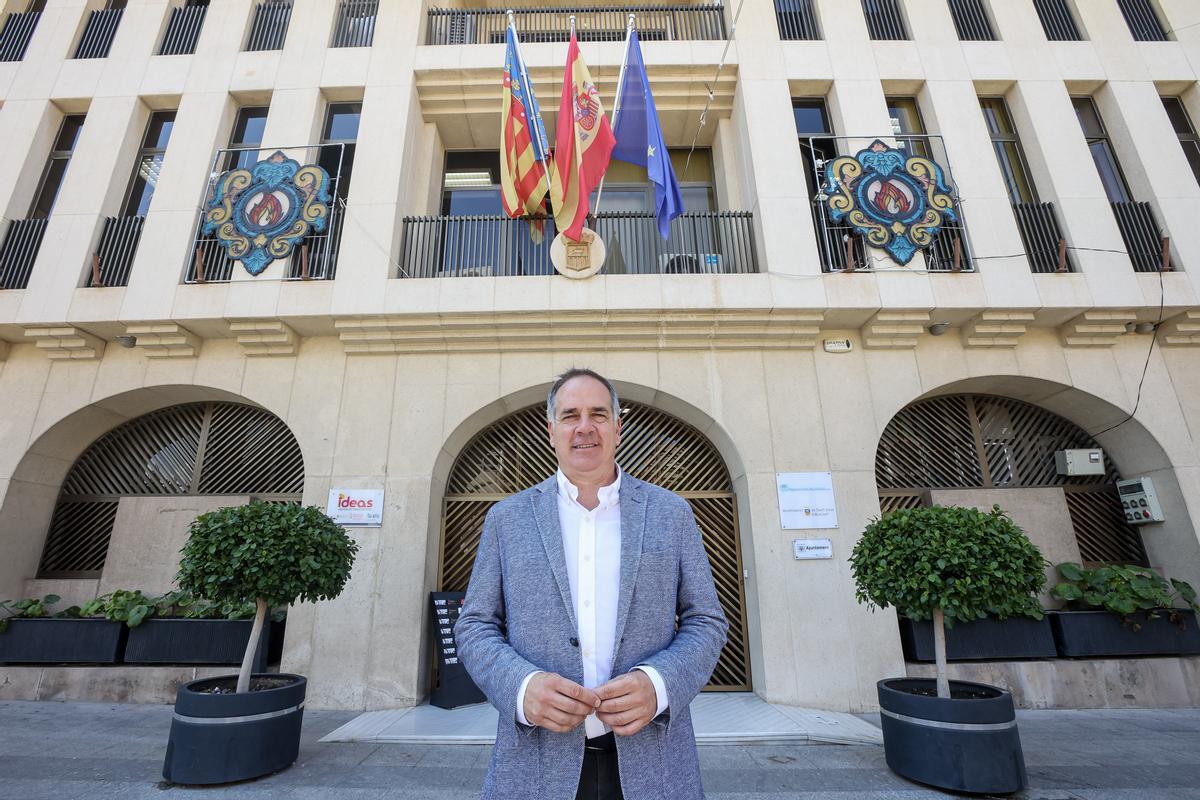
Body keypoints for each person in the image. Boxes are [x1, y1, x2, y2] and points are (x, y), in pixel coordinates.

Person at [454, 368, 729, 800]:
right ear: (551, 431)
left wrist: (658, 685)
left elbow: (706, 620)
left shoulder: (671, 513)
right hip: (536, 764)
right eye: (570, 415)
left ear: (618, 427)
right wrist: (521, 687)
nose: (585, 427)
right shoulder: (507, 519)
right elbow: (474, 625)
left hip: (654, 762)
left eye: (598, 414)